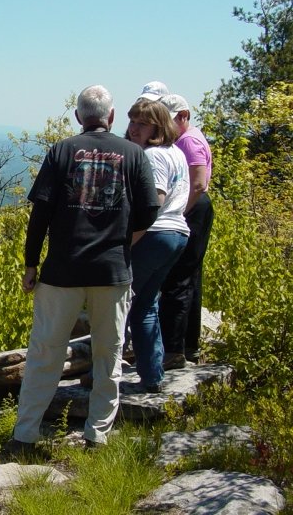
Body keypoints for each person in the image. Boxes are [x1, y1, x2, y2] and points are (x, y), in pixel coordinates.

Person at [4, 85, 159, 454]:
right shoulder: (134, 154)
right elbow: (150, 211)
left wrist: (30, 263)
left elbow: (40, 213)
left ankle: (25, 436)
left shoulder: (61, 151)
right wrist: (124, 238)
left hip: (62, 271)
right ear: (112, 116)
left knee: (45, 353)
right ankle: (97, 436)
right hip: (113, 271)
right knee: (109, 354)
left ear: (78, 117)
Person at [125, 100, 190, 392]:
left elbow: (156, 202)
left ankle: (101, 375)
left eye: (142, 123)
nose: (133, 128)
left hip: (155, 234)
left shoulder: (152, 156)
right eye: (132, 121)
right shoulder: (176, 153)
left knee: (118, 303)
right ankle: (152, 376)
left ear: (157, 126)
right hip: (177, 235)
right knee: (146, 305)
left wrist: (127, 242)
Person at [157, 94, 214, 368]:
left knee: (179, 278)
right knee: (188, 277)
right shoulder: (190, 137)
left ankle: (175, 348)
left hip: (193, 209)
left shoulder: (189, 140)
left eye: (169, 119)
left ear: (183, 115)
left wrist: (179, 210)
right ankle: (187, 345)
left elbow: (199, 183)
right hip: (193, 208)